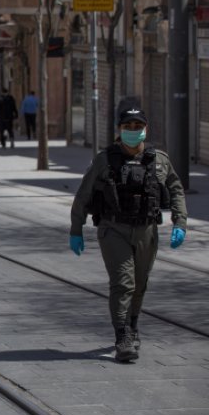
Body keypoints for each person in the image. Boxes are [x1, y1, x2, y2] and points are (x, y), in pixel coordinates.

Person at [69, 107, 187, 363]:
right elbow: (83, 195)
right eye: (127, 127)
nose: (133, 131)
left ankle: (133, 326)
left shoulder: (159, 160)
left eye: (137, 126)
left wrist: (180, 222)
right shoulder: (104, 160)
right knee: (123, 283)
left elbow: (176, 188)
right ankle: (122, 336)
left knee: (140, 283)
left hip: (146, 230)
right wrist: (76, 229)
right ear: (119, 130)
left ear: (146, 129)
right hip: (113, 229)